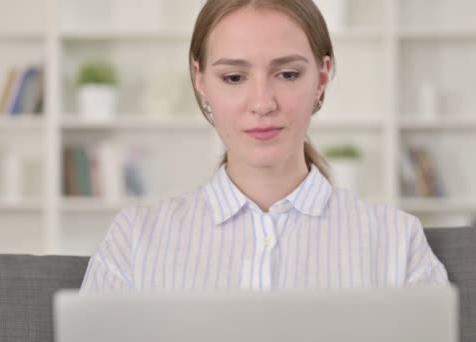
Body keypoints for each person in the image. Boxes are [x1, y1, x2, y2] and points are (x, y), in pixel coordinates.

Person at [80, 0, 448, 292]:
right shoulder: (135, 241)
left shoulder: (397, 242)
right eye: (234, 77)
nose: (262, 102)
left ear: (321, 77)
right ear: (201, 80)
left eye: (287, 74)